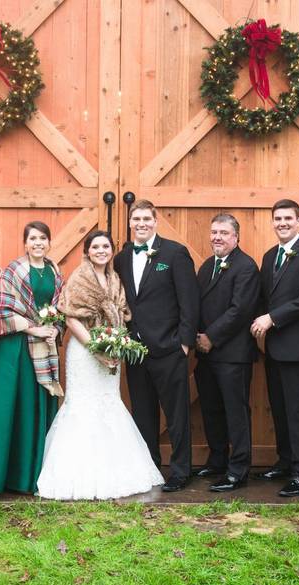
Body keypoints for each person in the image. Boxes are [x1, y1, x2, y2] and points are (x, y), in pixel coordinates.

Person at [36, 230, 164, 499]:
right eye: (96, 247)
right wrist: (97, 349)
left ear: (112, 250)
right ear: (87, 251)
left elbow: (122, 316)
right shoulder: (79, 278)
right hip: (85, 352)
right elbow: (71, 319)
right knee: (83, 406)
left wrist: (115, 347)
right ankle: (78, 475)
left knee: (109, 403)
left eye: (106, 246)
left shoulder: (115, 279)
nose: (101, 251)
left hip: (110, 352)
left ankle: (115, 472)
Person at [114, 200, 200, 492]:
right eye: (136, 219)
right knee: (143, 413)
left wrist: (184, 344)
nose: (141, 223)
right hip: (135, 350)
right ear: (130, 223)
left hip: (169, 348)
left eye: (146, 219)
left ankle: (180, 470)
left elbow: (190, 301)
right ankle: (149, 467)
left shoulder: (174, 253)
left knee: (176, 414)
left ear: (155, 221)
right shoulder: (122, 257)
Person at [251, 199, 299, 497]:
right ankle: (285, 462)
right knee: (280, 408)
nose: (282, 223)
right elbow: (264, 298)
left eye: (287, 218)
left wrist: (272, 318)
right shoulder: (270, 256)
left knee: (298, 411)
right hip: (274, 348)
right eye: (277, 219)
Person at [0, 221, 64, 494]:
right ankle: (1, 479)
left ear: (49, 242)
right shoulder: (12, 272)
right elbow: (3, 309)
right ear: (25, 243)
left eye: (43, 238)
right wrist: (34, 328)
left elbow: (60, 308)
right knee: (10, 409)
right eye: (32, 239)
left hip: (42, 348)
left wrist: (53, 329)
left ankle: (34, 476)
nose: (38, 243)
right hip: (14, 348)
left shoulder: (55, 271)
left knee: (35, 407)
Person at [193, 213, 260, 492]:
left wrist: (211, 337)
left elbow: (240, 310)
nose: (217, 237)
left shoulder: (246, 267)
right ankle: (218, 460)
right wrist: (197, 336)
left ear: (236, 237)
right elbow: (197, 304)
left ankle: (238, 470)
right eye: (214, 232)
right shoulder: (208, 266)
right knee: (211, 409)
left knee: (235, 412)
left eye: (223, 232)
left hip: (232, 353)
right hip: (205, 353)